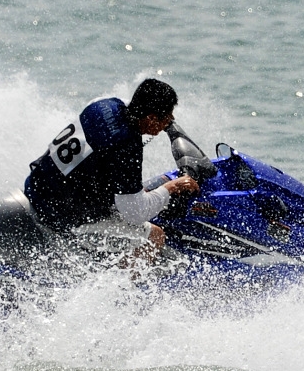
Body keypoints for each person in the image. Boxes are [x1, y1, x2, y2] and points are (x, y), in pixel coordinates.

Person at [24, 79, 199, 260]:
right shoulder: (125, 145)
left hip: (38, 186)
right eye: (167, 117)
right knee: (155, 237)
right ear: (151, 118)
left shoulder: (104, 105)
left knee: (135, 190)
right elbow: (136, 213)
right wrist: (172, 187)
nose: (170, 121)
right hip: (56, 214)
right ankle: (121, 279)